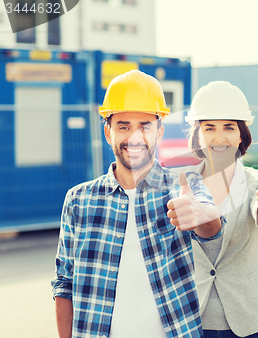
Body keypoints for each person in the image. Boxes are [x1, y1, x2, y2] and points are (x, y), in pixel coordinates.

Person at [51, 70, 223, 338]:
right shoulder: (78, 200)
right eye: (123, 126)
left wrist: (199, 214)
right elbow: (64, 283)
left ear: (160, 132)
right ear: (108, 133)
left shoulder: (184, 185)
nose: (134, 137)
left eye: (145, 125)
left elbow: (213, 226)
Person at [176, 81, 258, 338]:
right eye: (209, 127)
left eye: (229, 128)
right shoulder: (179, 184)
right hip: (194, 317)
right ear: (197, 135)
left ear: (241, 135)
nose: (220, 137)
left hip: (254, 319)